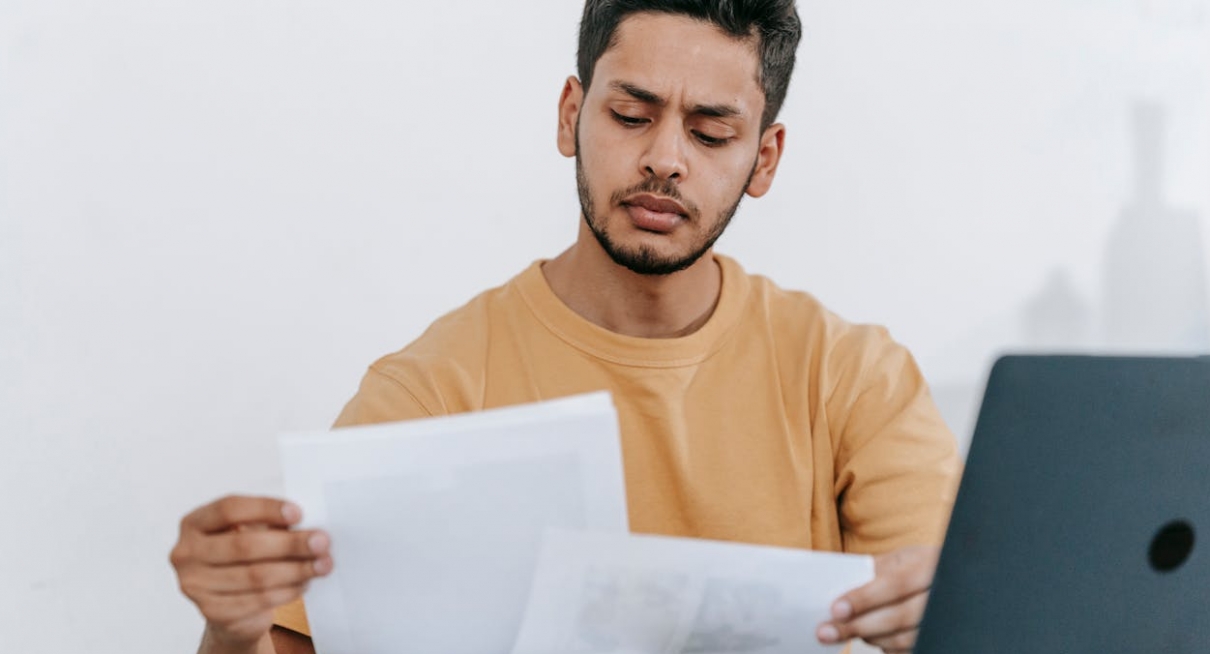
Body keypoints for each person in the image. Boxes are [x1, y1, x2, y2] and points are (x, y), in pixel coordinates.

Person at [169, 2, 961, 653]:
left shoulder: (852, 375)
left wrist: (954, 620)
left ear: (764, 159)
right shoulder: (437, 386)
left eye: (711, 132)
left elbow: (971, 618)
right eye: (630, 114)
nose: (665, 159)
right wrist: (231, 631)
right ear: (571, 115)